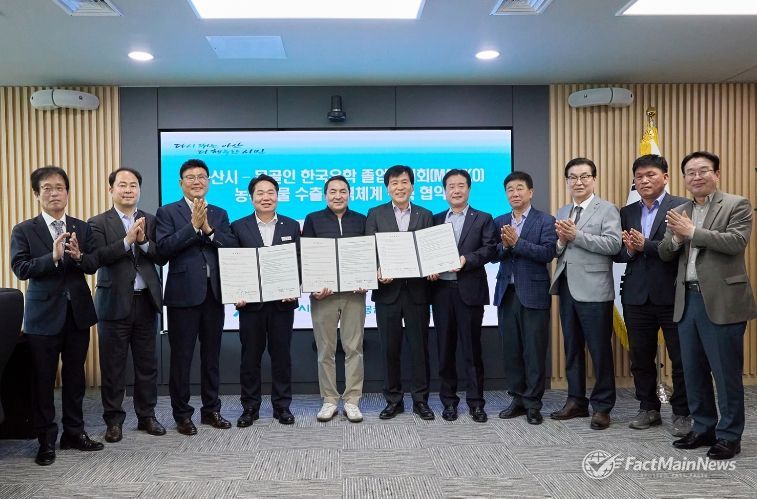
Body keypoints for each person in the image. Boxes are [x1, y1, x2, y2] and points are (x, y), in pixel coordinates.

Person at [659, 151, 756, 460]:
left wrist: (692, 233)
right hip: (687, 299)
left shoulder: (736, 204)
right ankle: (703, 428)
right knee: (693, 370)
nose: (696, 176)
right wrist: (677, 239)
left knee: (725, 373)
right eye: (690, 172)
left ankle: (729, 436)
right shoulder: (679, 210)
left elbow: (736, 242)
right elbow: (665, 252)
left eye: (703, 170)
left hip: (722, 300)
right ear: (684, 179)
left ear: (717, 174)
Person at [10, 166, 104, 466]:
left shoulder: (82, 228)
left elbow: (93, 264)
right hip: (42, 317)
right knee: (43, 380)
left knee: (76, 378)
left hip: (77, 314)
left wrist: (78, 256)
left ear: (68, 192)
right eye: (47, 188)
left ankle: (74, 433)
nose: (54, 193)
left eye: (60, 187)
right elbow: (21, 268)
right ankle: (46, 440)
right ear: (36, 194)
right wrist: (51, 257)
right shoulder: (24, 230)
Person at [155, 158, 236, 435]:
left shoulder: (220, 213)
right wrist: (192, 227)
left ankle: (211, 410)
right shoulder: (167, 212)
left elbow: (231, 246)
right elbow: (163, 250)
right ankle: (182, 414)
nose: (197, 181)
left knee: (211, 357)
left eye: (202, 176)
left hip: (214, 295)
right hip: (183, 296)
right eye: (190, 177)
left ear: (209, 182)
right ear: (181, 183)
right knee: (182, 358)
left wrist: (208, 230)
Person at [88, 167, 167, 443]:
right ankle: (113, 421)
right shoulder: (97, 222)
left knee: (147, 364)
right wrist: (126, 241)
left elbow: (161, 256)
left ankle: (147, 416)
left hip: (146, 300)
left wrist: (143, 242)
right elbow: (96, 257)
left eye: (133, 185)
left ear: (139, 190)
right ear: (111, 189)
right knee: (113, 366)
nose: (128, 190)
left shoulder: (151, 220)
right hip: (113, 303)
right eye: (122, 185)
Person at [612, 155, 690, 435]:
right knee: (640, 358)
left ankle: (682, 412)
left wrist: (644, 245)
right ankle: (648, 408)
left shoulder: (682, 206)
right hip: (635, 295)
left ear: (665, 177)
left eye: (651, 175)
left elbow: (680, 248)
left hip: (671, 293)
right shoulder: (627, 211)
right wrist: (629, 249)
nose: (644, 180)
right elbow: (619, 254)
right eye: (639, 176)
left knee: (681, 357)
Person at [548, 157, 621, 430]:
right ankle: (576, 400)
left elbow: (613, 245)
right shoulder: (563, 210)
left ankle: (602, 406)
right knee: (572, 348)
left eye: (584, 176)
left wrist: (576, 235)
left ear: (593, 179)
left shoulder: (608, 209)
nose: (578, 182)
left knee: (600, 350)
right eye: (573, 177)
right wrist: (561, 241)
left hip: (595, 289)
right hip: (567, 287)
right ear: (567, 181)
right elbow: (558, 249)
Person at [365, 165, 434, 420]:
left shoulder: (425, 214)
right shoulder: (375, 214)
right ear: (387, 188)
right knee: (389, 349)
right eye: (394, 183)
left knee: (419, 348)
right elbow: (369, 249)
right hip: (388, 292)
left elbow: (430, 250)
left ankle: (420, 400)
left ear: (412, 186)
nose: (400, 187)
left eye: (404, 182)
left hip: (417, 292)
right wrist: (377, 270)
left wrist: (433, 266)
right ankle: (393, 400)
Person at [230, 174, 301, 426]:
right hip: (251, 306)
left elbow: (299, 261)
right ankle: (250, 407)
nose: (266, 197)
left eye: (271, 192)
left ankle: (282, 407)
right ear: (251, 198)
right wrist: (236, 292)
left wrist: (295, 286)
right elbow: (234, 263)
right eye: (260, 193)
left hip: (283, 303)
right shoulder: (238, 226)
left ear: (278, 196)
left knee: (282, 356)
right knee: (250, 357)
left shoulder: (291, 225)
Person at [428, 169, 496, 422]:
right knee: (445, 350)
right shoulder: (435, 219)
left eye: (460, 186)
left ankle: (476, 403)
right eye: (451, 186)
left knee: (472, 350)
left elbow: (490, 249)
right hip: (441, 292)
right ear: (444, 191)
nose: (456, 190)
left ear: (468, 189)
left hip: (469, 292)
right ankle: (449, 402)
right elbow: (426, 251)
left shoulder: (483, 218)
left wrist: (467, 259)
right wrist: (429, 268)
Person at [302, 175, 368, 423]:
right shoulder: (313, 219)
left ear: (349, 194)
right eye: (333, 191)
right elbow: (306, 255)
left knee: (354, 348)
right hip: (324, 295)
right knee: (325, 350)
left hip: (354, 295)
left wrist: (365, 279)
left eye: (342, 191)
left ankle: (352, 400)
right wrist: (312, 287)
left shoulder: (361, 219)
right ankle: (329, 399)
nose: (338, 196)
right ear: (325, 195)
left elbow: (368, 254)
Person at [493, 171, 556, 425]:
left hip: (534, 294)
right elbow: (493, 254)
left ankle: (533, 403)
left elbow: (548, 253)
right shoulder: (499, 221)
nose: (515, 193)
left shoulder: (545, 220)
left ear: (530, 192)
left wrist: (517, 243)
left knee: (534, 350)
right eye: (510, 189)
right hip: (506, 294)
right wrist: (505, 246)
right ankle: (517, 399)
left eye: (519, 188)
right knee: (511, 350)